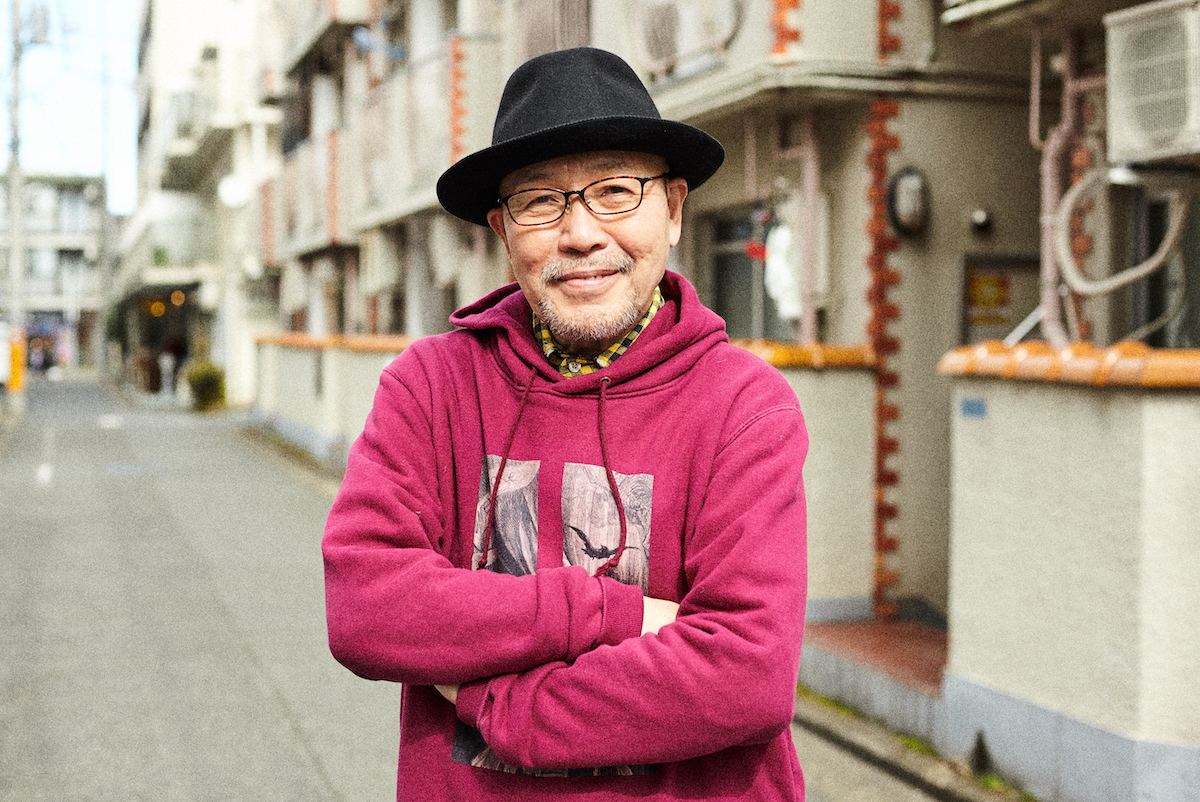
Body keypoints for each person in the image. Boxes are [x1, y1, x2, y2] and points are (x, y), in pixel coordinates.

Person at [323, 46, 809, 801]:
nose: (580, 233)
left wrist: (494, 701)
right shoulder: (430, 387)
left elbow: (746, 678)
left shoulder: (745, 407)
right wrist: (612, 613)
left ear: (674, 210)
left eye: (616, 191)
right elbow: (367, 607)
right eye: (540, 201)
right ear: (502, 230)